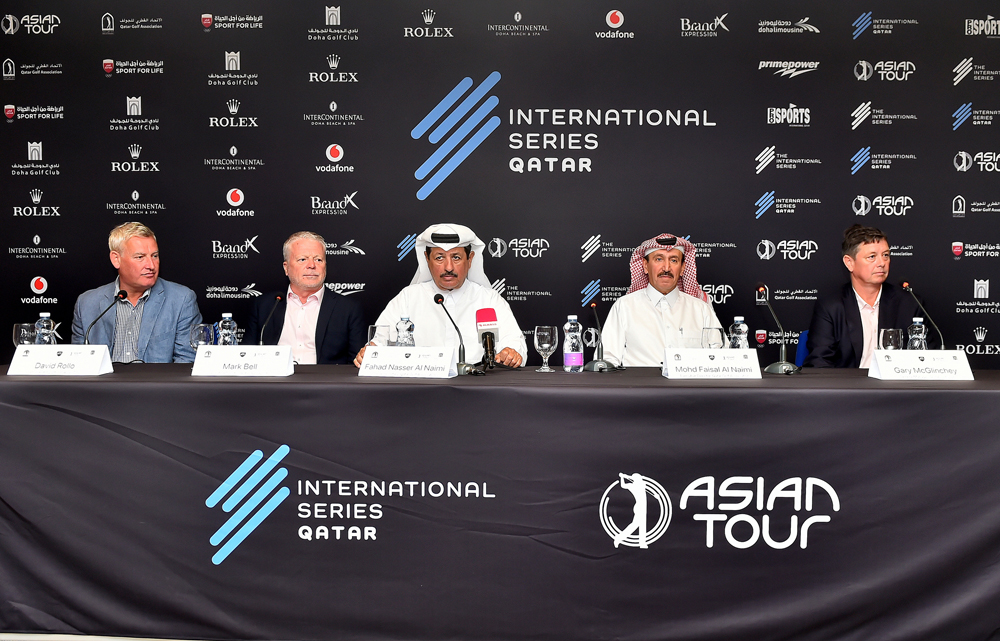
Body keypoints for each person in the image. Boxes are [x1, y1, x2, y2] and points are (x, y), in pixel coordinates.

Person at [354, 223, 526, 368]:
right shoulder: (408, 298)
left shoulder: (489, 300)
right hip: (419, 392)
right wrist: (371, 351)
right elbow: (380, 340)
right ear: (427, 259)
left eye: (456, 257)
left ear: (470, 259)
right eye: (439, 258)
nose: (448, 267)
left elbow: (514, 343)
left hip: (477, 391)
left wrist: (510, 353)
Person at [805, 224, 935, 368]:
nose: (881, 263)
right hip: (849, 388)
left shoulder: (910, 303)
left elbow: (927, 360)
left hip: (896, 388)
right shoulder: (831, 306)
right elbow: (819, 363)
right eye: (872, 257)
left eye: (885, 255)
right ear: (850, 263)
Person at [71, 222, 202, 363]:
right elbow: (79, 365)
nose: (151, 265)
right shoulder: (87, 304)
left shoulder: (181, 300)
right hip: (103, 385)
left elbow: (186, 363)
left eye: (155, 256)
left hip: (157, 384)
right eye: (140, 257)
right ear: (116, 259)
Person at [244, 231, 366, 364]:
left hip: (325, 382)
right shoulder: (264, 306)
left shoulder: (348, 309)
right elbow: (245, 356)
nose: (312, 265)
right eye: (302, 259)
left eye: (318, 259)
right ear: (286, 268)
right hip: (275, 381)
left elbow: (356, 364)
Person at [602, 233, 722, 367]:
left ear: (682, 268)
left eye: (674, 260)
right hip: (640, 386)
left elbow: (722, 357)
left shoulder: (701, 309)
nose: (666, 268)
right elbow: (607, 360)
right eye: (659, 259)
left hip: (689, 387)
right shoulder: (624, 307)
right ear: (645, 266)